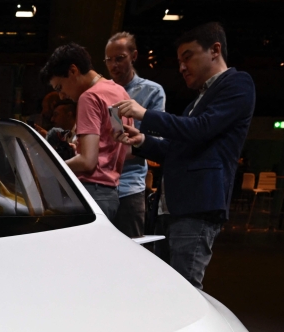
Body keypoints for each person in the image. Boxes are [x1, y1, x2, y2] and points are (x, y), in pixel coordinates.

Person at [115, 22, 255, 289]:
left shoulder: (238, 83)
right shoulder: (195, 102)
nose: (181, 67)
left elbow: (201, 128)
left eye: (187, 57)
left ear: (215, 50)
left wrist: (145, 114)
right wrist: (142, 140)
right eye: (179, 61)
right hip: (173, 207)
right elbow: (175, 148)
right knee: (166, 290)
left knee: (186, 291)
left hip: (196, 207)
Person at [41, 43, 132, 222]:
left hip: (90, 193)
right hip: (111, 195)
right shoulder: (119, 91)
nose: (61, 96)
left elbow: (88, 162)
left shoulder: (89, 97)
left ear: (73, 71)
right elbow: (127, 151)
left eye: (60, 87)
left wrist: (50, 166)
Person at [105, 31, 166, 238]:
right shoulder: (99, 92)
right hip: (99, 186)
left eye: (120, 58)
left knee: (131, 249)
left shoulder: (152, 91)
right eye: (109, 60)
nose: (114, 65)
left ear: (134, 56)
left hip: (129, 186)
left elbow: (155, 142)